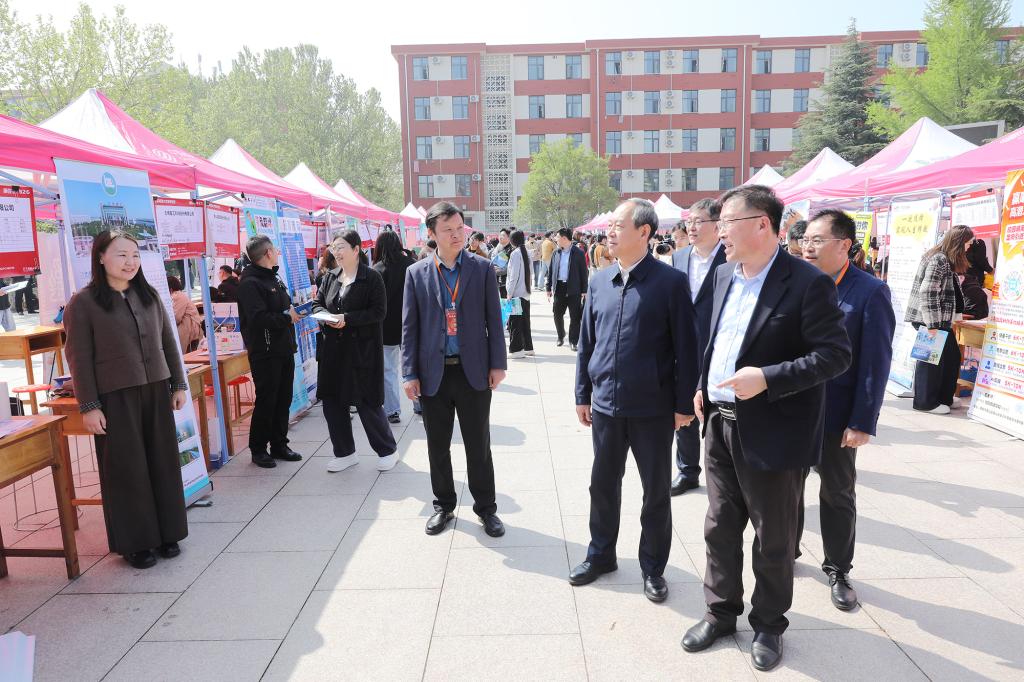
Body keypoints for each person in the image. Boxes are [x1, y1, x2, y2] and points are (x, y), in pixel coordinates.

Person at [680, 185, 851, 672]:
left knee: (772, 536)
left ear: (761, 224)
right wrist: (703, 384)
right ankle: (720, 613)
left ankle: (769, 624)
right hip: (719, 422)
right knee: (719, 525)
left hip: (776, 429)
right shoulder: (722, 275)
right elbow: (716, 340)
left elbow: (834, 355)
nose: (718, 232)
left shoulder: (806, 283)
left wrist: (768, 379)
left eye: (727, 223)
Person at [570, 198, 700, 604]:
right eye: (609, 225)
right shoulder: (599, 281)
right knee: (602, 485)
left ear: (644, 232)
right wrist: (582, 393)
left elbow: (687, 349)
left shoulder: (670, 283)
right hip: (606, 406)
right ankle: (600, 554)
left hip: (653, 409)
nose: (609, 232)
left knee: (655, 492)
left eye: (618, 225)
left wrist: (683, 406)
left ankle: (653, 567)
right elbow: (587, 343)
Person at [63, 230, 189, 569]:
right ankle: (137, 543)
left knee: (162, 461)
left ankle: (168, 533)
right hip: (115, 396)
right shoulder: (83, 303)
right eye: (121, 254)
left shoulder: (149, 295)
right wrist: (89, 406)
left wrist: (178, 385)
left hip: (156, 389)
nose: (130, 262)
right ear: (100, 257)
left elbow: (168, 342)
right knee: (127, 468)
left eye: (134, 255)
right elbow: (79, 359)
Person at [796, 209, 895, 612]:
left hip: (836, 415)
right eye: (805, 239)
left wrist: (862, 421)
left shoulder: (869, 291)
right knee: (786, 487)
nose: (808, 246)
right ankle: (786, 551)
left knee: (837, 492)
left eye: (817, 240)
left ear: (844, 245)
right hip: (792, 409)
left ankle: (838, 568)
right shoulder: (796, 283)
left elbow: (875, 362)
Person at [402, 201, 508, 537]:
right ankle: (443, 506)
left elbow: (494, 320)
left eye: (460, 228)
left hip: (472, 371)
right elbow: (409, 328)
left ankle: (486, 509)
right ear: (432, 234)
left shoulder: (482, 268)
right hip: (433, 373)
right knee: (437, 445)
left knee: (479, 444)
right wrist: (409, 373)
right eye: (448, 230)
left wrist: (498, 364)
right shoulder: (416, 273)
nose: (456, 235)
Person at [314, 230, 399, 472]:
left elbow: (378, 312)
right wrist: (326, 317)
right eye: (334, 248)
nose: (337, 252)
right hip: (333, 351)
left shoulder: (371, 278)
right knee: (333, 402)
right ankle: (345, 453)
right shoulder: (330, 277)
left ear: (356, 249)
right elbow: (317, 304)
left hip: (362, 350)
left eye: (341, 247)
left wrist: (347, 318)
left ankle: (387, 450)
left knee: (366, 402)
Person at [670, 198, 727, 495]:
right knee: (684, 408)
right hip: (683, 347)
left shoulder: (730, 258)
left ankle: (724, 474)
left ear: (717, 226)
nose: (691, 227)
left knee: (717, 413)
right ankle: (687, 470)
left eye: (698, 221)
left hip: (718, 347)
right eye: (689, 221)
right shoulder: (679, 258)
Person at [236, 235, 304, 468]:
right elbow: (258, 319)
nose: (277, 253)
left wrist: (293, 311)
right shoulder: (250, 283)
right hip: (265, 352)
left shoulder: (273, 277)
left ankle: (279, 444)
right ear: (267, 253)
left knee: (283, 399)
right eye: (274, 249)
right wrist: (287, 317)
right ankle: (258, 449)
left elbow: (281, 307)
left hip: (283, 348)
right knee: (267, 400)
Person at [904, 224, 974, 414]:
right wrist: (932, 324)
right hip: (931, 319)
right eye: (968, 243)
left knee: (950, 357)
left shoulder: (944, 258)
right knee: (930, 360)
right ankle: (925, 402)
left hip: (938, 319)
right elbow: (928, 292)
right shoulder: (939, 259)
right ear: (960, 242)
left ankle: (943, 398)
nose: (969, 247)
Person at [372, 229, 416, 423]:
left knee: (389, 370)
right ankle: (420, 405)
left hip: (386, 326)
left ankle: (392, 411)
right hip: (411, 324)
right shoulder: (412, 265)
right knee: (414, 366)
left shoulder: (377, 269)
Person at [547, 227, 588, 351]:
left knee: (575, 316)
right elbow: (551, 271)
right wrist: (548, 287)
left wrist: (584, 290)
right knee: (557, 314)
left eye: (557, 237)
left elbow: (584, 272)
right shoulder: (556, 252)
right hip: (559, 287)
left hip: (574, 288)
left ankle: (573, 341)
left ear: (564, 238)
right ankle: (561, 335)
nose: (556, 239)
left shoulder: (578, 253)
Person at [506, 229, 534, 358]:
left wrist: (509, 293)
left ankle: (517, 350)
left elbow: (513, 276)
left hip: (516, 293)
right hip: (525, 293)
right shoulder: (527, 252)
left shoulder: (515, 254)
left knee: (515, 323)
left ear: (512, 240)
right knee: (525, 322)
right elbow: (531, 273)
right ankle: (528, 347)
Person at [167, 275, 204, 353]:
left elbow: (176, 318)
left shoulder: (177, 296)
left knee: (187, 355)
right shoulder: (180, 295)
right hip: (193, 330)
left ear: (170, 288)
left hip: (189, 331)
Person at [490, 228, 513, 297]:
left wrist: (499, 269)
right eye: (499, 235)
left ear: (509, 237)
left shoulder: (511, 250)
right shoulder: (497, 248)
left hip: (507, 281)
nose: (500, 237)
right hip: (497, 281)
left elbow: (511, 267)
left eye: (503, 235)